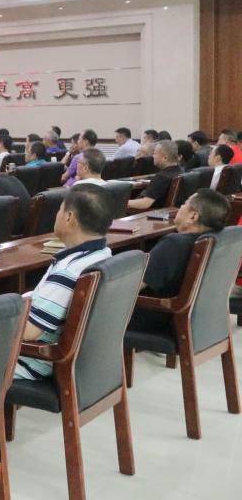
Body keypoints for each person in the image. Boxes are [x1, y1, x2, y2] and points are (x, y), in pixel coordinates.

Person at [15, 185, 114, 380]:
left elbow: (28, 332)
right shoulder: (104, 254)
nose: (57, 215)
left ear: (69, 217)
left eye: (60, 209)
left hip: (32, 362)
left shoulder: (68, 272)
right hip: (83, 361)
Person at [128, 190, 229, 332]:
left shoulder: (174, 244)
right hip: (198, 320)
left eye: (185, 203)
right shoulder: (219, 241)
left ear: (193, 216)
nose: (180, 207)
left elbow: (133, 286)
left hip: (156, 317)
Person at [128, 140, 183, 211]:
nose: (153, 156)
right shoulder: (182, 171)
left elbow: (145, 203)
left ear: (165, 158)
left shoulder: (161, 177)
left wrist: (123, 202)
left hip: (152, 214)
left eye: (155, 153)